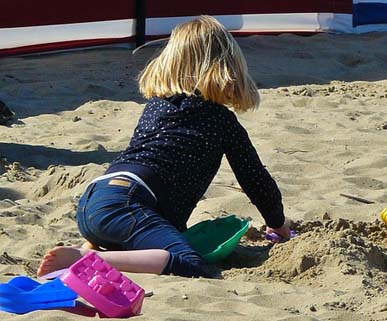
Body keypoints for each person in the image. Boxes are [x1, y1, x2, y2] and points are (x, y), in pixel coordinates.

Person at [37, 16, 291, 278]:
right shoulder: (221, 120)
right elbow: (255, 179)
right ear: (229, 67)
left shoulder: (156, 106)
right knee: (189, 262)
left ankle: (97, 244)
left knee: (144, 233)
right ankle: (89, 257)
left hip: (94, 201)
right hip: (127, 204)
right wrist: (278, 224)